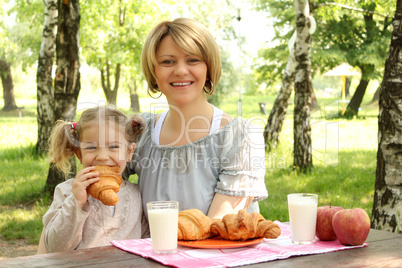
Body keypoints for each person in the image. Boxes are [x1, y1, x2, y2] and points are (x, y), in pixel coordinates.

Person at [123, 18, 268, 221]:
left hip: (218, 251)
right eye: (167, 61)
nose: (181, 70)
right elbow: (101, 189)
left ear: (208, 68)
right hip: (154, 252)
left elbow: (218, 225)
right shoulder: (140, 132)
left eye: (193, 60)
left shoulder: (239, 136)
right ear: (153, 72)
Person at [38, 106, 144, 253]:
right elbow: (54, 247)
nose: (102, 156)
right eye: (91, 148)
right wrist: (76, 202)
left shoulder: (137, 195)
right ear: (79, 154)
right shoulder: (67, 192)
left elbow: (148, 243)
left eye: (113, 146)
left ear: (129, 152)